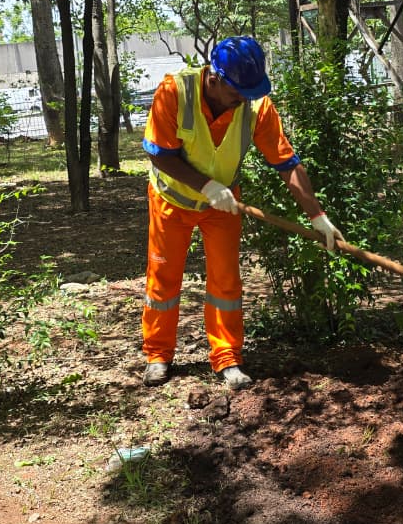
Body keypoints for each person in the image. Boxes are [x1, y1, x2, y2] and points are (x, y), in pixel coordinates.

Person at [140, 36, 342, 390]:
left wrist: (317, 215)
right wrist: (206, 187)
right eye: (237, 94)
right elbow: (159, 153)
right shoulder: (175, 92)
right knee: (164, 278)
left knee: (225, 282)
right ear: (214, 79)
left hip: (224, 204)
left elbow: (286, 163)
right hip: (171, 200)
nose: (243, 101)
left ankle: (227, 357)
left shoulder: (257, 106)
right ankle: (158, 354)